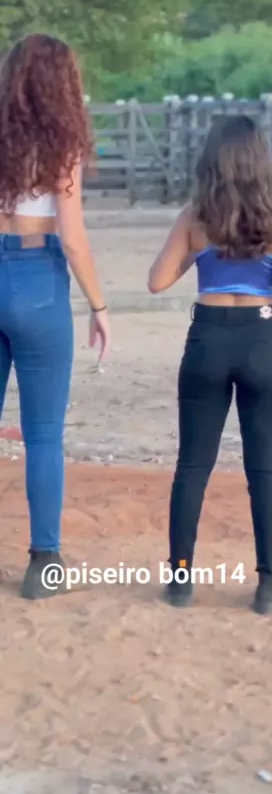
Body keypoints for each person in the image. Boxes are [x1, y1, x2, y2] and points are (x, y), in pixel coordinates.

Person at [148, 115, 272, 615]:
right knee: (265, 469)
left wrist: (197, 256)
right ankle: (269, 584)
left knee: (193, 465)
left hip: (209, 337)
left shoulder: (196, 216)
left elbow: (157, 280)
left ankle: (180, 580)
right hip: (261, 337)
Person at [0, 34, 110, 599]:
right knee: (43, 433)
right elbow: (72, 238)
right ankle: (44, 563)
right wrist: (99, 304)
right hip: (38, 278)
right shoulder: (62, 145)